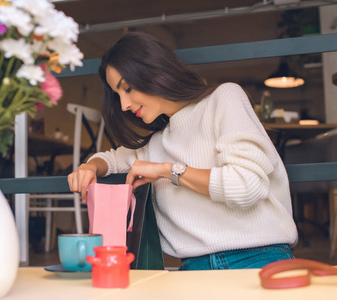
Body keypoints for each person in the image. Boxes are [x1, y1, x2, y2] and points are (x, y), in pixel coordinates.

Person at [67, 32, 298, 270]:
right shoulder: (155, 144)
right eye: (118, 96)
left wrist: (168, 171)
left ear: (152, 71)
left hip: (257, 259)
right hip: (192, 269)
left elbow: (246, 185)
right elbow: (110, 160)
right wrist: (89, 167)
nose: (124, 105)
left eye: (127, 88)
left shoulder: (224, 98)